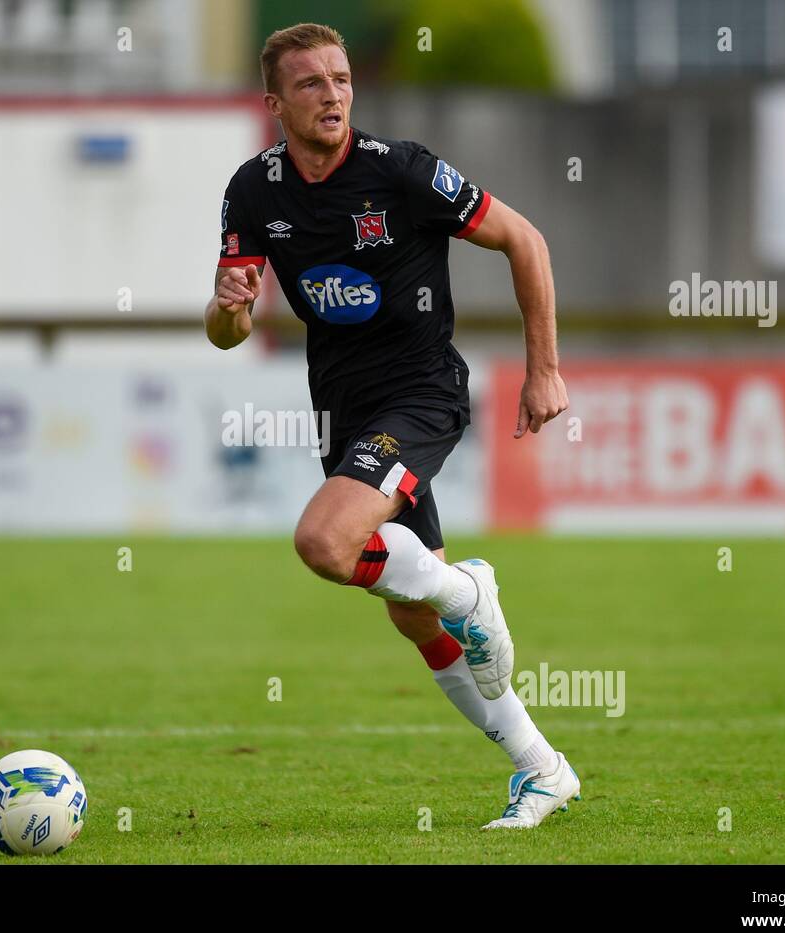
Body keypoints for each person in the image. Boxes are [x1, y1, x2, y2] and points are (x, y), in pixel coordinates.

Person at [203, 22, 577, 829]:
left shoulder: (401, 171)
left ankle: (471, 590)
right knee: (412, 613)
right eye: (310, 83)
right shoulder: (252, 190)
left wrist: (543, 366)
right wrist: (227, 312)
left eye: (340, 79)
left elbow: (525, 239)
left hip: (421, 395)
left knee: (326, 543)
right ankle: (543, 768)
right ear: (275, 103)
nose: (333, 93)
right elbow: (227, 330)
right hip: (341, 410)